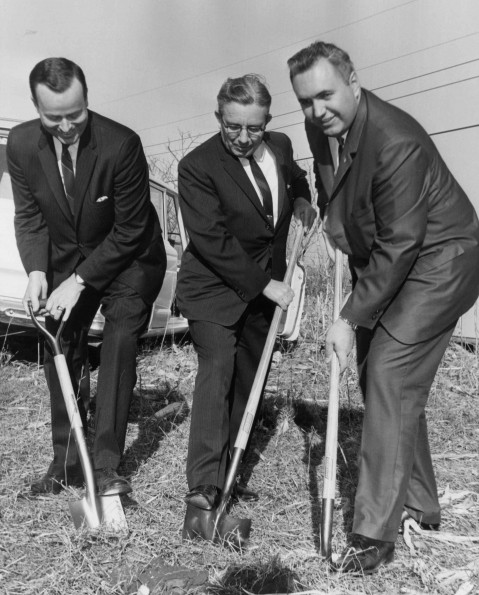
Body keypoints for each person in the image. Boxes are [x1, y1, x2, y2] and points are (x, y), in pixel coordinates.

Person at [288, 41, 479, 573]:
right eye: (305, 101)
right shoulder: (319, 129)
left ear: (353, 80)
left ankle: (374, 534)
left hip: (441, 262)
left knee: (390, 373)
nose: (317, 110)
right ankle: (421, 502)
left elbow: (402, 244)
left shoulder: (397, 140)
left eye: (326, 94)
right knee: (379, 375)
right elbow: (343, 198)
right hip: (392, 259)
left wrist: (348, 317)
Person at [7, 57, 166, 497]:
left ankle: (106, 465)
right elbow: (30, 217)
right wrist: (39, 271)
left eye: (74, 115)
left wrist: (77, 281)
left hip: (131, 256)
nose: (65, 127)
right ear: (36, 107)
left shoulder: (122, 145)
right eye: (52, 117)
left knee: (118, 339)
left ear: (87, 100)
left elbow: (132, 229)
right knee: (59, 338)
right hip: (69, 259)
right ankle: (66, 462)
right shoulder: (19, 145)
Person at [176, 74, 316, 526]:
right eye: (232, 126)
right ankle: (202, 489)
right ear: (219, 117)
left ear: (267, 122)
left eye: (253, 128)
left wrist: (302, 201)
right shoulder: (197, 166)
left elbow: (295, 180)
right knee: (217, 369)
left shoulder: (280, 145)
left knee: (248, 380)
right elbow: (212, 239)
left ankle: (228, 473)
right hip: (213, 288)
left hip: (262, 293)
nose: (242, 137)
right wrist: (264, 285)